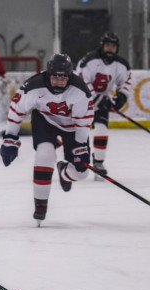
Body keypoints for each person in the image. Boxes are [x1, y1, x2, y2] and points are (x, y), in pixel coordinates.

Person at [0, 53, 94, 225]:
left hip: (73, 127)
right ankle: (41, 204)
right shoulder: (33, 86)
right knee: (45, 154)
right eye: (56, 77)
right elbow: (16, 111)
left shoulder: (80, 91)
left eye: (64, 78)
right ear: (49, 74)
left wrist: (81, 148)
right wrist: (10, 139)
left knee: (81, 173)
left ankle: (64, 172)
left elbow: (82, 122)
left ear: (70, 75)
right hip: (45, 120)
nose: (60, 82)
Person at [76, 32, 131, 180]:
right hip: (81, 102)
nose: (110, 48)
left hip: (101, 103)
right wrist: (97, 97)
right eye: (107, 45)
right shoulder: (89, 60)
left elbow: (125, 83)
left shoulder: (121, 65)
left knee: (101, 129)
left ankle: (98, 163)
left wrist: (121, 96)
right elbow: (82, 81)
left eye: (113, 46)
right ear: (102, 45)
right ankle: (53, 149)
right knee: (74, 133)